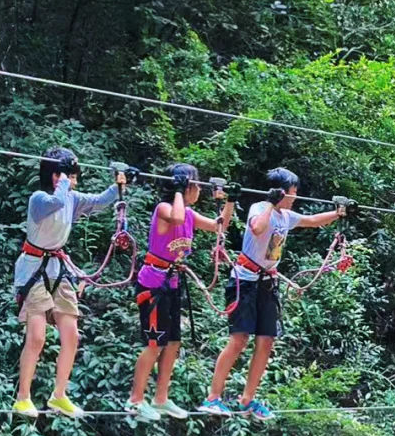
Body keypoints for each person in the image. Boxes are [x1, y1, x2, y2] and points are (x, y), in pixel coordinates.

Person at [198, 167, 346, 419]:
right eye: (292, 193)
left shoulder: (286, 215)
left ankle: (247, 400)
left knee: (266, 341)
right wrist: (270, 202)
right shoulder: (259, 208)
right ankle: (213, 397)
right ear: (279, 193)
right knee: (239, 340)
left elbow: (312, 221)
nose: (295, 197)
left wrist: (339, 212)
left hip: (268, 283)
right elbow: (257, 228)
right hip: (245, 281)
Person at [13, 147, 125, 420]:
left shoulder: (71, 197)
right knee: (37, 337)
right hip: (33, 267)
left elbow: (99, 201)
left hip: (58, 267)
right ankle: (23, 398)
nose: (74, 182)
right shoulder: (39, 199)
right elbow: (56, 204)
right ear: (56, 176)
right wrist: (64, 180)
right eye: (71, 177)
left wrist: (119, 184)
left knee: (72, 335)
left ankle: (59, 395)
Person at [127, 163, 234, 422]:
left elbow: (220, 226)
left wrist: (231, 200)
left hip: (172, 281)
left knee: (173, 343)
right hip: (153, 283)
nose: (199, 189)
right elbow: (174, 217)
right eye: (195, 184)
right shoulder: (165, 209)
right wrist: (176, 190)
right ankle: (135, 400)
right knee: (155, 344)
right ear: (184, 186)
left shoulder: (189, 213)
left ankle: (161, 398)